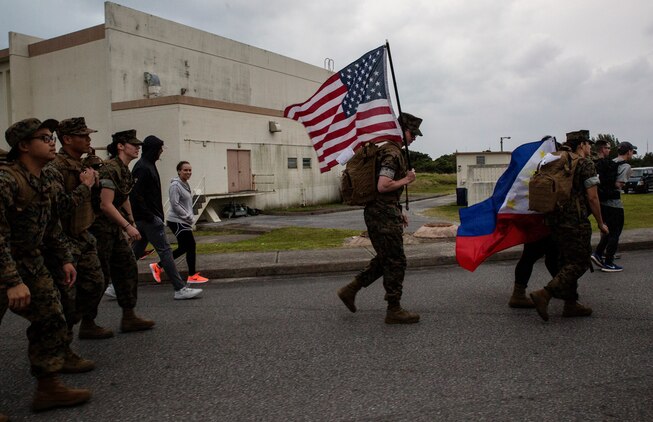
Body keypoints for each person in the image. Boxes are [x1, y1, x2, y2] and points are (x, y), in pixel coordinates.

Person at [0, 118, 91, 412]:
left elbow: (50, 226)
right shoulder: (6, 180)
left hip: (30, 260)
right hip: (5, 263)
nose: (52, 141)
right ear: (24, 146)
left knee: (52, 316)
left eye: (52, 136)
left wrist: (64, 258)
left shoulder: (43, 179)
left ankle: (48, 388)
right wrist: (12, 282)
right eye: (44, 137)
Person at [336, 112, 422, 324]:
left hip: (382, 212)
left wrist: (397, 211)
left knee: (387, 258)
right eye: (413, 134)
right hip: (382, 215)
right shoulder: (392, 154)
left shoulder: (388, 151)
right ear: (403, 131)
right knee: (396, 261)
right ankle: (394, 309)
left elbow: (384, 191)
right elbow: (383, 186)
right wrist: (407, 179)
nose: (414, 138)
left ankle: (351, 289)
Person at [529, 130, 609, 321]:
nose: (590, 148)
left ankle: (571, 304)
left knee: (566, 261)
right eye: (588, 144)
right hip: (575, 221)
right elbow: (592, 196)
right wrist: (600, 222)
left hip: (553, 219)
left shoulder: (551, 160)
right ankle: (545, 294)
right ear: (581, 144)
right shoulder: (584, 164)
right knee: (580, 262)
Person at [46, 117, 114, 341]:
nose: (88, 139)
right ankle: (62, 340)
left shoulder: (83, 165)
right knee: (67, 295)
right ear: (67, 139)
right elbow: (60, 207)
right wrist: (85, 186)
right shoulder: (55, 168)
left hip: (83, 234)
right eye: (83, 136)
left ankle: (87, 323)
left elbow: (93, 204)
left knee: (97, 282)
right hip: (64, 239)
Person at [89, 130, 155, 332]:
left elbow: (124, 196)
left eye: (138, 145)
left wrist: (131, 221)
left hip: (114, 228)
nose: (137, 148)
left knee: (127, 267)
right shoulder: (109, 169)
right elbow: (105, 204)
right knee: (98, 277)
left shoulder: (124, 169)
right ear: (120, 146)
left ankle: (129, 316)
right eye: (133, 144)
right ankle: (87, 322)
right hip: (100, 230)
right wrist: (127, 226)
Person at [130, 135, 202, 300]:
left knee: (134, 254)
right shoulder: (143, 168)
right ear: (154, 149)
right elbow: (136, 195)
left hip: (147, 219)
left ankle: (114, 286)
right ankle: (180, 288)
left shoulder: (148, 165)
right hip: (149, 220)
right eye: (160, 148)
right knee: (166, 251)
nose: (162, 151)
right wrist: (152, 217)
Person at [156, 160, 208, 283]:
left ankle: (158, 266)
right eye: (185, 170)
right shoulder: (175, 185)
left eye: (190, 170)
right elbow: (174, 204)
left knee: (185, 247)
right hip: (177, 221)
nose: (188, 172)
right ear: (179, 171)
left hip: (183, 220)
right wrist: (187, 216)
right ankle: (192, 275)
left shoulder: (185, 184)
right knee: (190, 245)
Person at [591, 141, 635, 272]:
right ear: (628, 152)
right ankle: (609, 261)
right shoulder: (626, 166)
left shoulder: (611, 162)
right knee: (615, 232)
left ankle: (598, 254)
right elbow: (618, 184)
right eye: (632, 151)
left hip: (603, 202)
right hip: (614, 204)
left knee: (607, 229)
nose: (632, 154)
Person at [508, 236, 558, 308]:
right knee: (548, 254)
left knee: (551, 255)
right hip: (541, 228)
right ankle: (561, 290)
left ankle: (560, 288)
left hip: (536, 227)